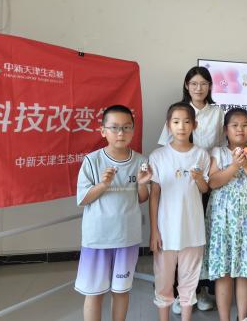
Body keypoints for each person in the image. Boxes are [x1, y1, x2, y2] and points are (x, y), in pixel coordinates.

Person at [74, 105, 151, 321]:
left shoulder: (140, 161)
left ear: (133, 130)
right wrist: (103, 185)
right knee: (94, 293)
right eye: (114, 127)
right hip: (97, 239)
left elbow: (142, 198)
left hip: (127, 238)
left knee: (121, 290)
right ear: (103, 131)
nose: (120, 133)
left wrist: (143, 183)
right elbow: (82, 199)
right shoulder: (92, 160)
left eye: (126, 127)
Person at [158, 66, 224, 313]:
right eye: (194, 83)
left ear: (210, 86)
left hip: (207, 179)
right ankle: (180, 293)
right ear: (187, 85)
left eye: (204, 83)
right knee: (178, 238)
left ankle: (202, 290)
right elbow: (165, 148)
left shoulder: (217, 112)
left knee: (202, 237)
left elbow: (220, 146)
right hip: (179, 184)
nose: (199, 88)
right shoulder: (179, 110)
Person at [203, 108, 247, 321]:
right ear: (226, 129)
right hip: (222, 221)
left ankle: (243, 317)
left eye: (245, 125)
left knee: (244, 272)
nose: (240, 129)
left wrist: (246, 165)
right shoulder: (218, 152)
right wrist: (234, 165)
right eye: (235, 125)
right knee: (223, 273)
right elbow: (213, 182)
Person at [149, 102, 211, 321]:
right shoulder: (158, 156)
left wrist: (199, 179)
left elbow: (205, 189)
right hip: (165, 232)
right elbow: (154, 195)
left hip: (193, 231)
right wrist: (154, 231)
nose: (181, 127)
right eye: (176, 122)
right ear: (168, 125)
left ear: (194, 125)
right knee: (164, 282)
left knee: (189, 283)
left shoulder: (201, 155)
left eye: (186, 122)